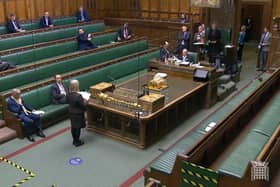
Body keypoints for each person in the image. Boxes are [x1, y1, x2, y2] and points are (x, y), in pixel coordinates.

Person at [67, 80, 87, 147]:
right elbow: (83, 106)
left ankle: (74, 140)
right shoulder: (78, 96)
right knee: (78, 128)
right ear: (76, 86)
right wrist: (85, 101)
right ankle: (77, 141)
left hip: (71, 112)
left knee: (73, 127)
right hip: (78, 114)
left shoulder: (68, 94)